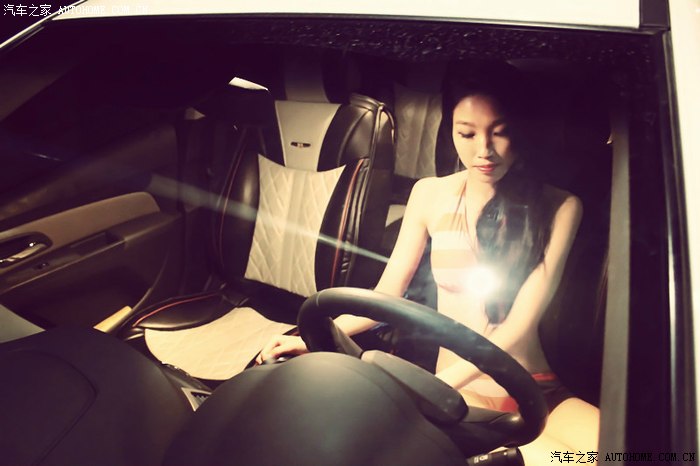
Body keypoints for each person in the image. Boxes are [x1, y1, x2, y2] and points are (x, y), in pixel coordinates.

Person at [258, 62, 599, 465]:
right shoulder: (429, 195)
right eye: (466, 133)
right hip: (464, 394)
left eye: (500, 131)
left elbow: (518, 324)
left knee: (636, 453)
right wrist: (314, 336)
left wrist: (433, 387)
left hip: (534, 388)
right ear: (449, 129)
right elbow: (386, 294)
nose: (484, 150)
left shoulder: (560, 205)